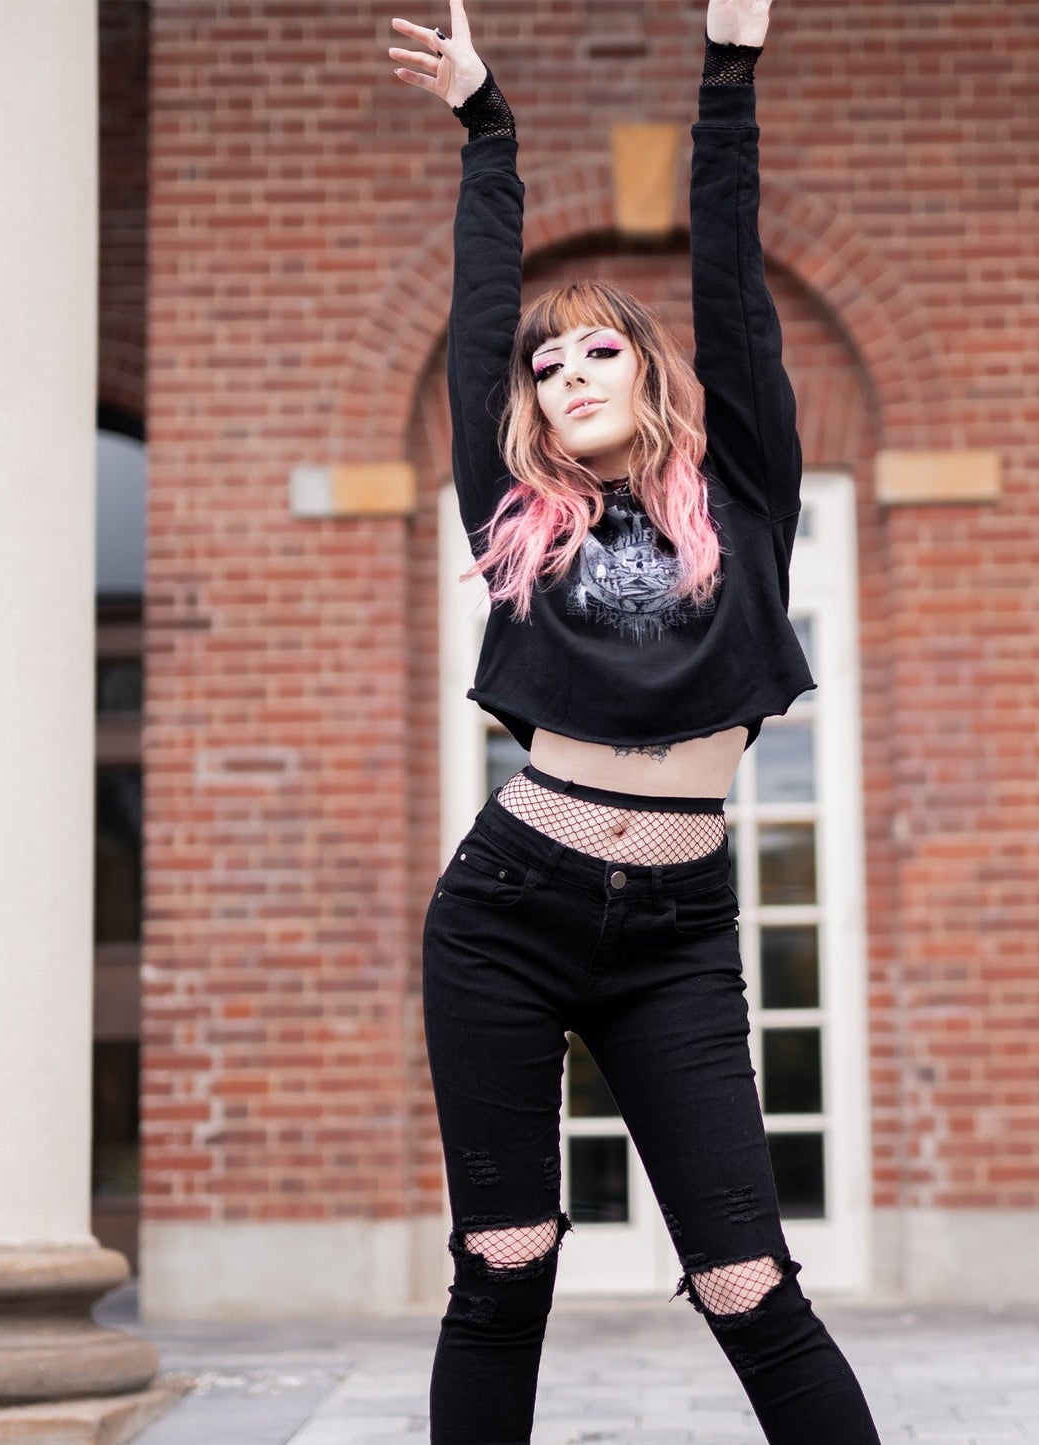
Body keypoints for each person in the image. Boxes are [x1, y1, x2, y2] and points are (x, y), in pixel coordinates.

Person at [389, 2, 883, 1440]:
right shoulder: (519, 519)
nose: (563, 376)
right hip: (506, 909)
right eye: (548, 369)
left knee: (747, 1281)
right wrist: (491, 132)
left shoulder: (748, 498)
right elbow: (486, 316)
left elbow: (730, 279)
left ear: (646, 372)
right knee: (504, 1265)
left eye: (595, 353)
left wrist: (729, 67)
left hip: (673, 928)